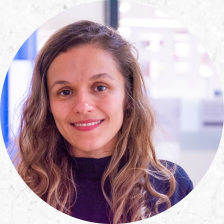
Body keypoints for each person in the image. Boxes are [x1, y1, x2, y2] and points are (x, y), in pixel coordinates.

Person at [13, 20, 193, 224]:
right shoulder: (18, 193)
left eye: (100, 87)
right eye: (65, 92)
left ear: (128, 96)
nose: (83, 106)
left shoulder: (172, 188)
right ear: (47, 106)